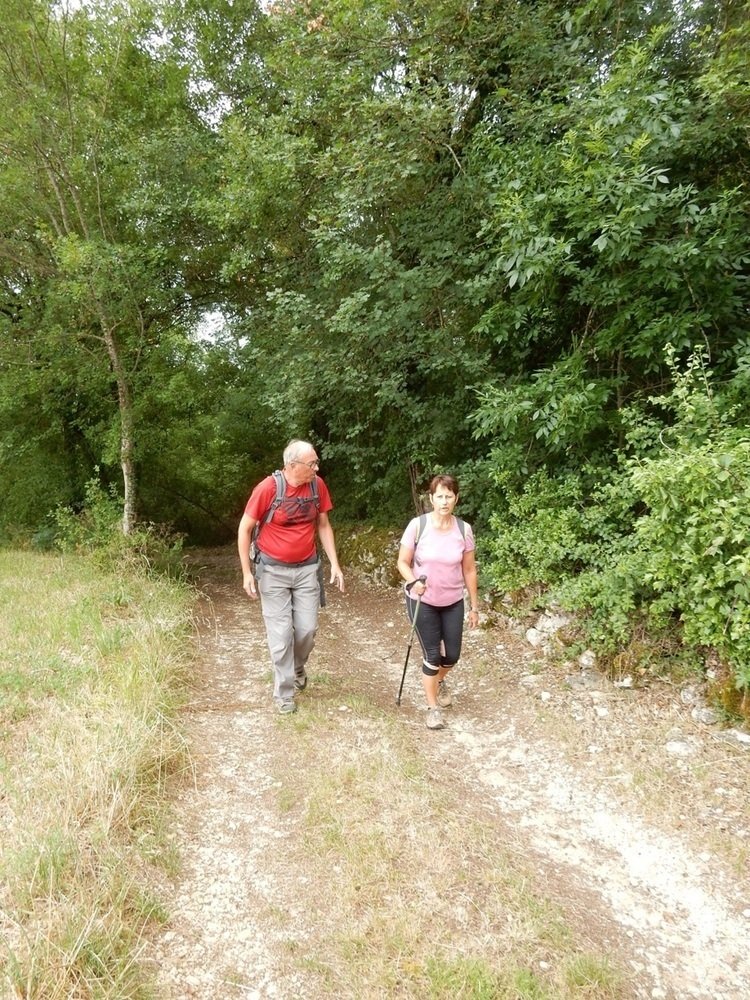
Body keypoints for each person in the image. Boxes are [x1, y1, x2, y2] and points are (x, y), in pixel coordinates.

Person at [238, 440, 345, 714]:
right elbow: (245, 528)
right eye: (312, 463)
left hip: (307, 569)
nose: (317, 468)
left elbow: (324, 525)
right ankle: (284, 693)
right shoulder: (268, 488)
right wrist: (247, 572)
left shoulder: (317, 486)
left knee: (307, 629)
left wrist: (334, 563)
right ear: (292, 465)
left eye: (316, 462)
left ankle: (297, 666)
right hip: (272, 572)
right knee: (281, 635)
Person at [397, 474, 479, 730]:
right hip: (422, 600)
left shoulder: (463, 530)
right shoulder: (417, 526)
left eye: (449, 496)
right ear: (431, 499)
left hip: (452, 600)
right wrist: (413, 581)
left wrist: (475, 607)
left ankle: (438, 680)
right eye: (440, 496)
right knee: (432, 655)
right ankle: (432, 709)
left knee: (451, 655)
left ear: (457, 498)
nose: (444, 501)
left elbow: (469, 570)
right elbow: (402, 562)